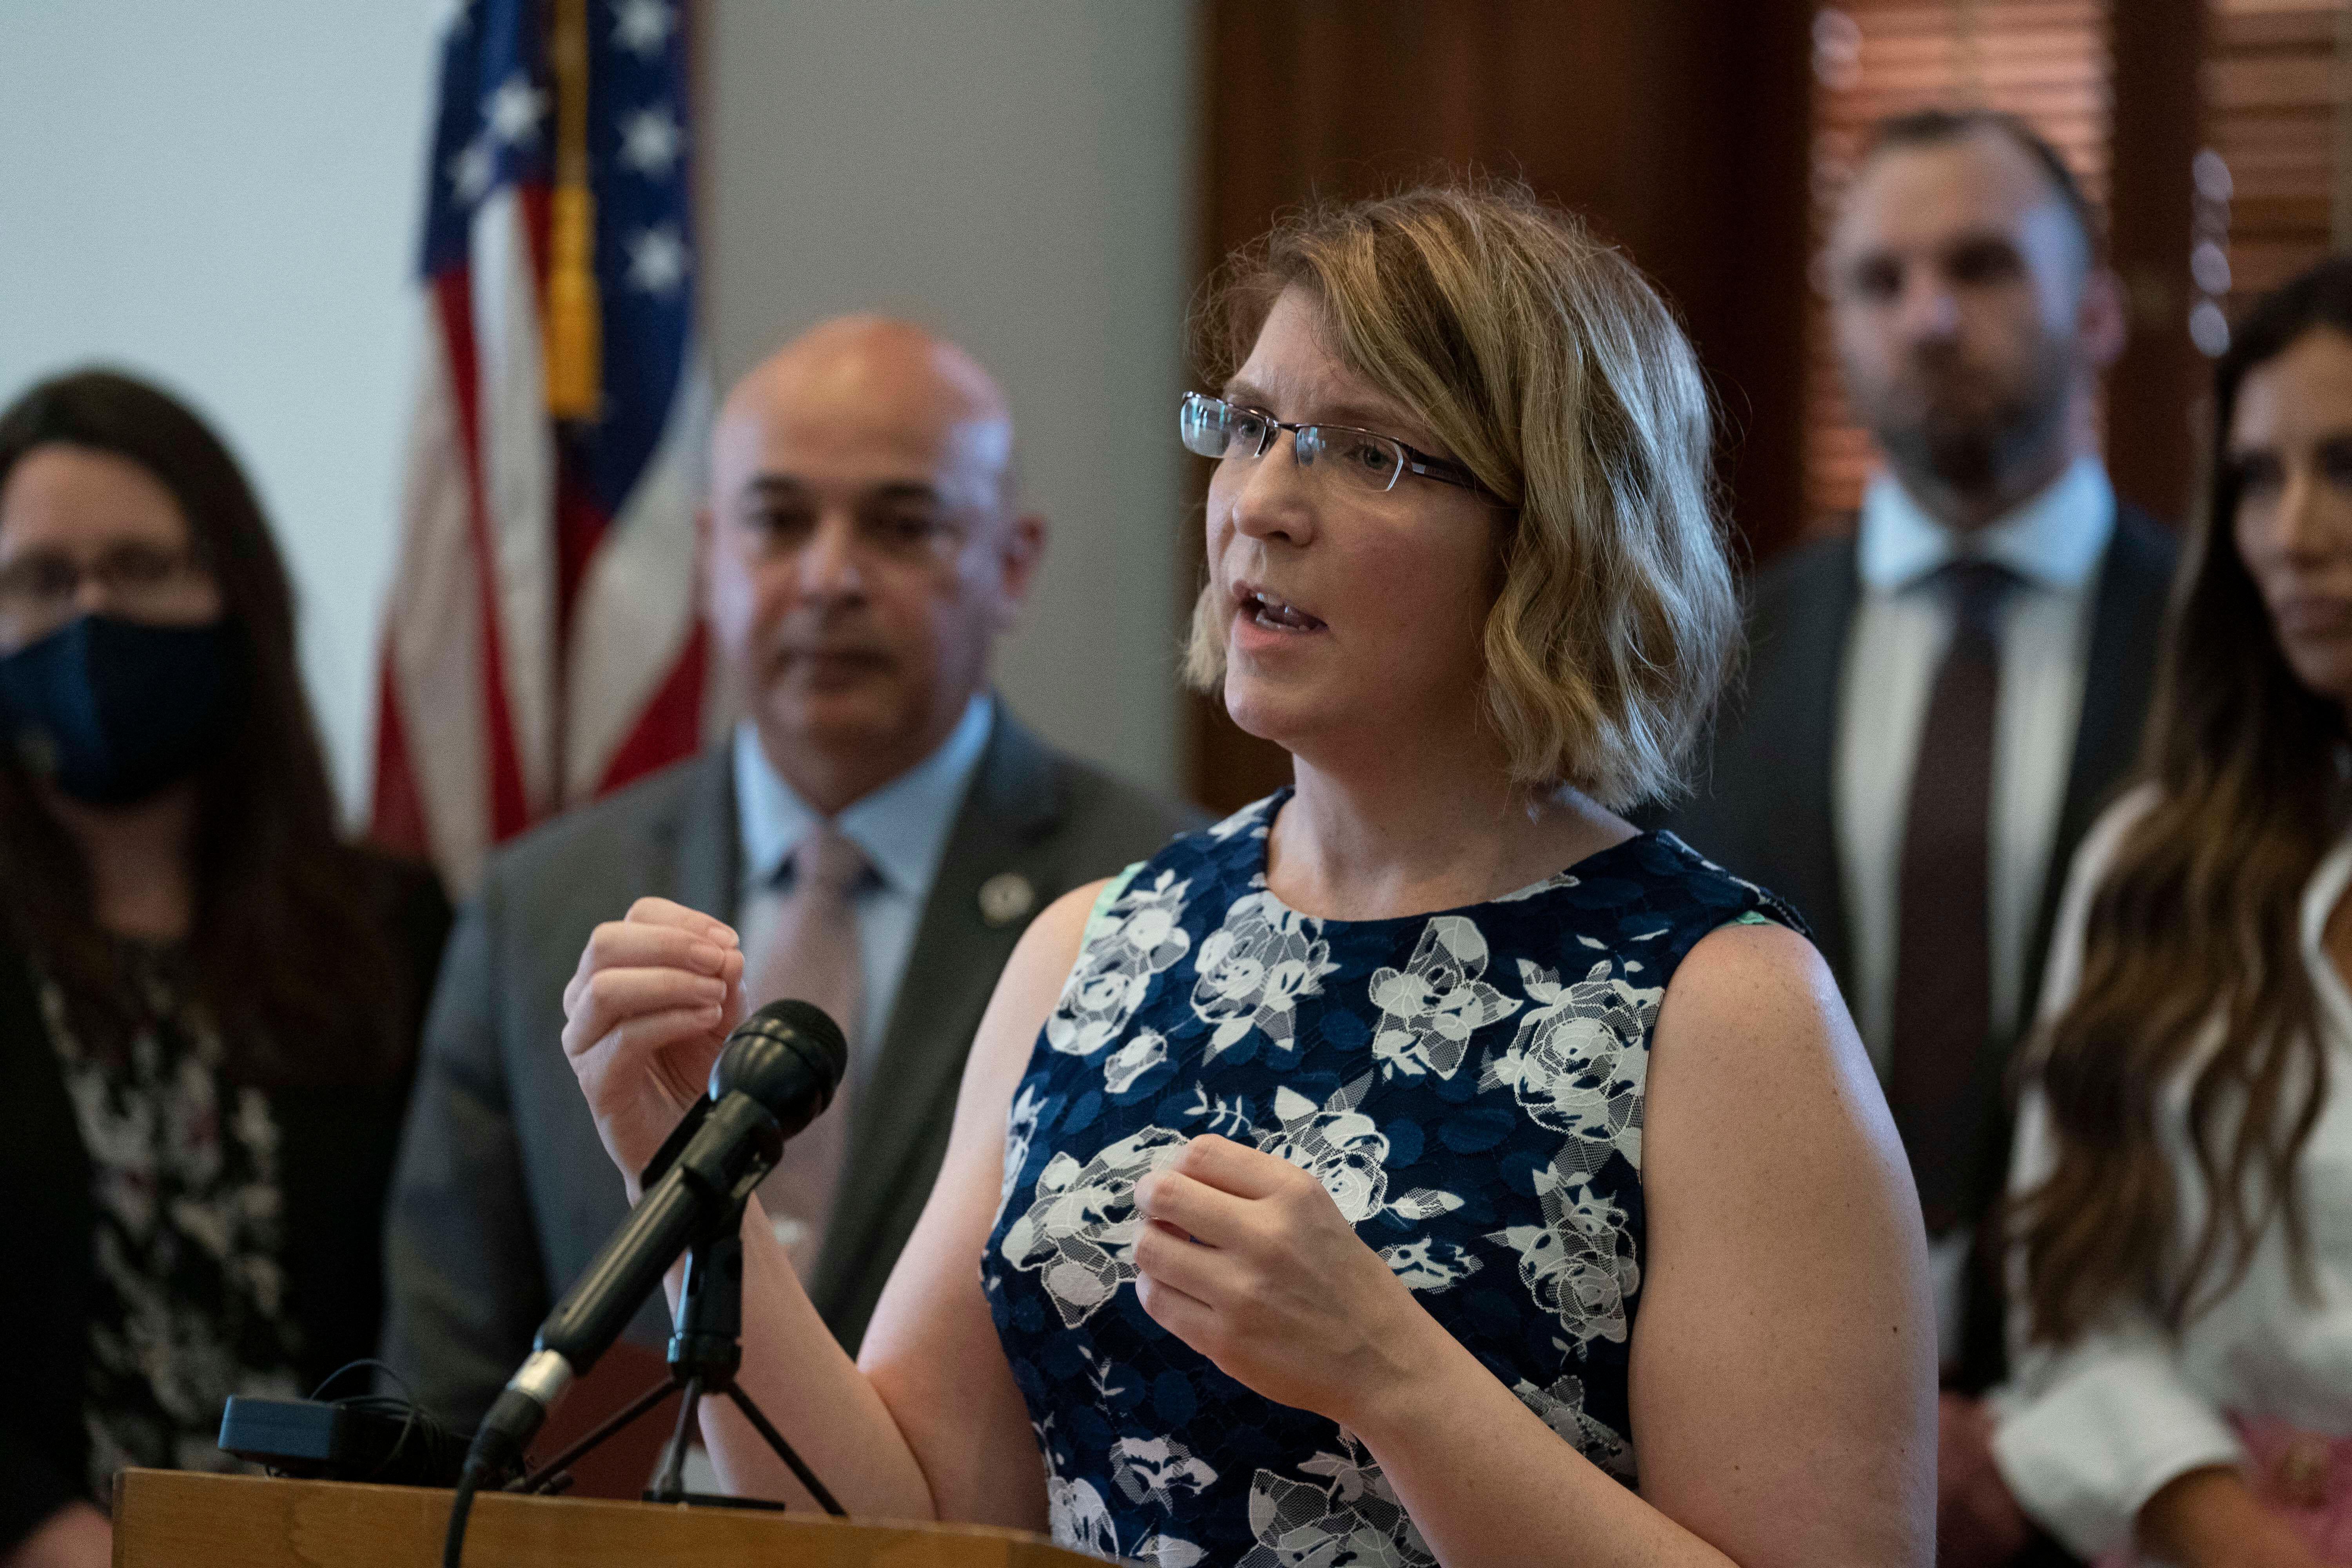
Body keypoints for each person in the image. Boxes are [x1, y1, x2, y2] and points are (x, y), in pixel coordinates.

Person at [561, 184, 1933, 1566]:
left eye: (1370, 455)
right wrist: (684, 1178)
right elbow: (904, 1525)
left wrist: (1393, 1377)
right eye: (1250, 428)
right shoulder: (1094, 948)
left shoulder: (1728, 1011)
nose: (1262, 507)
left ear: (1552, 535)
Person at [381, 316, 1203, 1449]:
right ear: (713, 557)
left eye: (901, 525)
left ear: (1011, 565)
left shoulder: (1161, 897)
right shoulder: (546, 901)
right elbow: (441, 1375)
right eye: (778, 523)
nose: (829, 578)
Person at [1661, 108, 2178, 1560]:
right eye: (1880, 282)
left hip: (2164, 1457)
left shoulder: (2234, 659)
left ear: (2093, 312)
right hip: (1772, 1459)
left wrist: (2056, 1435)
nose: (1930, 316)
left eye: (1983, 267)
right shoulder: (1708, 667)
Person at [0, 371, 450, 1568]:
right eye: (41, 580)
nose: (93, 612)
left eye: (143, 568)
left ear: (233, 593)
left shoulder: (396, 927)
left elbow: (447, 1304)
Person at [1987, 257, 2352, 1568]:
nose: (2293, 533)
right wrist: (2231, 1526)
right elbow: (2074, 1303)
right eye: (2258, 479)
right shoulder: (2159, 861)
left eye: (2345, 467)